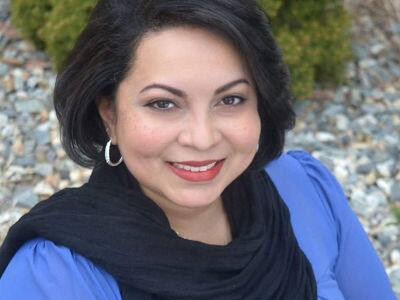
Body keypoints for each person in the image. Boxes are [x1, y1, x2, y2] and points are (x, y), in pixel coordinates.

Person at [0, 0, 396, 299]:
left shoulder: (303, 189)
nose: (202, 139)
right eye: (163, 103)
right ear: (109, 114)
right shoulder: (54, 279)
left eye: (231, 100)